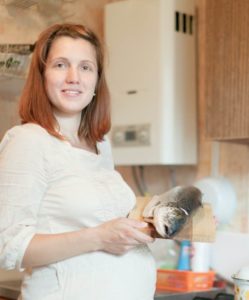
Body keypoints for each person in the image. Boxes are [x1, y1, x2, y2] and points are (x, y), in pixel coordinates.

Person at [0, 23, 156, 300]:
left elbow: (106, 223)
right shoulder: (27, 141)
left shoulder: (100, 145)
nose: (74, 77)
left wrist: (165, 221)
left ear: (97, 80)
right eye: (61, 65)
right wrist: (97, 237)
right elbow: (7, 247)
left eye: (85, 67)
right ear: (42, 76)